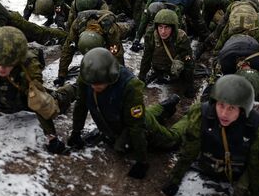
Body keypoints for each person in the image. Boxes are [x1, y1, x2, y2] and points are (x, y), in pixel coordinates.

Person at [68, 48, 182, 179]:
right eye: (92, 84)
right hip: (121, 121)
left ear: (110, 75)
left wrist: (141, 161)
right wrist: (76, 132)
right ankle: (166, 106)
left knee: (172, 140)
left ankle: (190, 119)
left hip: (138, 123)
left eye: (99, 84)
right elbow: (81, 105)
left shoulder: (130, 85)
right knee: (142, 116)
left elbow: (136, 125)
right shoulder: (87, 77)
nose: (94, 87)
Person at [161, 74, 259, 196]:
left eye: (231, 108)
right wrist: (174, 179)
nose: (224, 114)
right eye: (221, 105)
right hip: (204, 167)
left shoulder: (257, 127)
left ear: (242, 110)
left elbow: (258, 169)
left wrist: (255, 195)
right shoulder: (201, 114)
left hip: (236, 176)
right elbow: (189, 151)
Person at [56, 10, 126, 86]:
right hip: (92, 22)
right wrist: (61, 75)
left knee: (127, 28)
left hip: (113, 25)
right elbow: (67, 50)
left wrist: (118, 78)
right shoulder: (77, 25)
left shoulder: (111, 30)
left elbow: (117, 55)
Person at [138, 9, 196, 97]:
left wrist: (190, 86)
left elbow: (188, 62)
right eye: (160, 27)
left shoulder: (181, 37)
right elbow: (146, 58)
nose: (163, 31)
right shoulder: (151, 35)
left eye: (167, 27)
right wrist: (141, 78)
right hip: (158, 67)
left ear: (173, 28)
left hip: (175, 69)